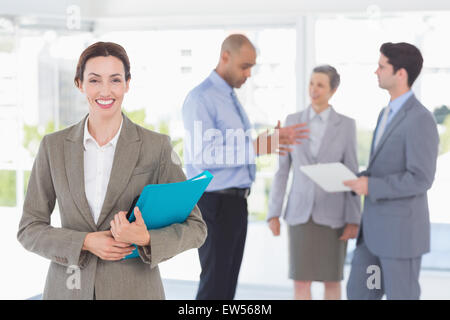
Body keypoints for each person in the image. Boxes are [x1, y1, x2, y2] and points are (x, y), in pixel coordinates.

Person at [17, 41, 207, 300]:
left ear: (127, 84)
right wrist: (85, 242)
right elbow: (30, 228)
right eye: (94, 80)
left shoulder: (156, 146)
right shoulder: (53, 147)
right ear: (79, 84)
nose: (105, 90)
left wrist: (146, 237)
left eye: (115, 80)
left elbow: (196, 228)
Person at [182, 34, 308, 300]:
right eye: (244, 66)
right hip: (213, 204)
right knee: (214, 286)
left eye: (252, 67)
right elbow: (203, 155)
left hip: (235, 204)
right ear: (225, 57)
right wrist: (256, 146)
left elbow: (232, 144)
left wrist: (267, 140)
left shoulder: (229, 96)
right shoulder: (201, 98)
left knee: (227, 286)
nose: (249, 74)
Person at [344, 42, 439, 300]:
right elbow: (385, 167)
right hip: (372, 235)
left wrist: (372, 187)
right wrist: (363, 179)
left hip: (400, 239)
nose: (376, 71)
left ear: (401, 74)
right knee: (359, 294)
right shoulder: (384, 114)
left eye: (381, 66)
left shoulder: (421, 119)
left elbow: (421, 178)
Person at [267, 65, 361, 300]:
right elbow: (282, 171)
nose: (314, 89)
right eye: (311, 83)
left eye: (320, 85)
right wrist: (273, 213)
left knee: (332, 281)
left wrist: (353, 219)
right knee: (300, 281)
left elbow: (352, 173)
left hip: (334, 216)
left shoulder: (346, 125)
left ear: (333, 90)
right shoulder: (292, 121)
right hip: (300, 214)